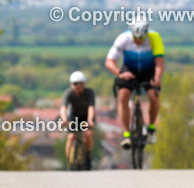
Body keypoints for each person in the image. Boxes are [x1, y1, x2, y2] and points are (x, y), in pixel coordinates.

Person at [106, 18, 163, 147]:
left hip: (148, 70)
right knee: (123, 96)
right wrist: (120, 74)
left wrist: (157, 78)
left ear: (146, 33)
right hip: (129, 70)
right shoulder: (123, 38)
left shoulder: (154, 37)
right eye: (135, 39)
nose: (138, 41)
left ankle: (151, 128)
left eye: (141, 39)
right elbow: (109, 61)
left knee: (154, 97)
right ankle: (127, 134)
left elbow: (159, 61)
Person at [60, 70, 95, 170]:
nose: (78, 86)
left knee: (88, 134)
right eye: (76, 84)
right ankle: (69, 161)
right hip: (74, 117)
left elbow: (91, 107)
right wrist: (64, 119)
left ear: (84, 84)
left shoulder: (89, 93)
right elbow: (64, 108)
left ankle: (88, 157)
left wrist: (90, 120)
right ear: (72, 84)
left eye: (81, 84)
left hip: (86, 117)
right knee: (71, 137)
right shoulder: (69, 93)